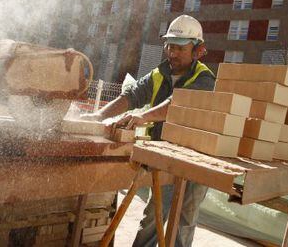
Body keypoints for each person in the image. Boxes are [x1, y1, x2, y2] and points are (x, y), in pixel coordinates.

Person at [82, 14, 215, 246]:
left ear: (198, 50)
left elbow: (179, 103)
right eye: (169, 46)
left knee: (184, 220)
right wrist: (99, 116)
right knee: (153, 215)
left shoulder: (204, 78)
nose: (172, 53)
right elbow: (131, 96)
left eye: (180, 48)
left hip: (196, 160)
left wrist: (143, 116)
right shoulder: (158, 74)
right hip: (164, 157)